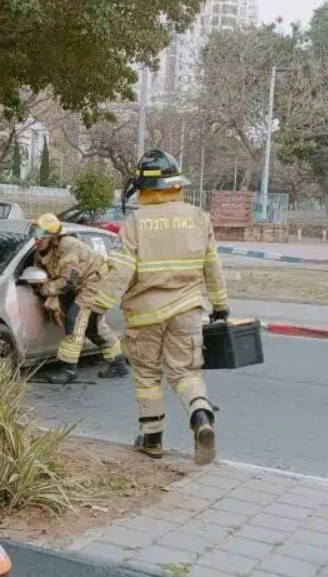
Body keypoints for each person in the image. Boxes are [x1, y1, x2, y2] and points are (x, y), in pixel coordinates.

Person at [90, 150, 229, 465]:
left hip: (145, 314)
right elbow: (213, 266)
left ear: (144, 187)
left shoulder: (137, 221)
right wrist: (221, 305)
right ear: (175, 184)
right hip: (188, 310)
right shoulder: (199, 217)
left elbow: (121, 271)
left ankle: (152, 439)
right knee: (184, 372)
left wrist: (98, 307)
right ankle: (201, 416)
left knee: (148, 375)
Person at [29, 213, 128, 384]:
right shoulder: (41, 252)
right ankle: (118, 363)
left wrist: (46, 290)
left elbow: (68, 281)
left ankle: (68, 369)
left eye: (40, 236)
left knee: (74, 321)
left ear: (53, 237)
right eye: (34, 235)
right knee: (93, 327)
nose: (36, 240)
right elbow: (41, 272)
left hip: (95, 283)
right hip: (80, 286)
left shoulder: (68, 247)